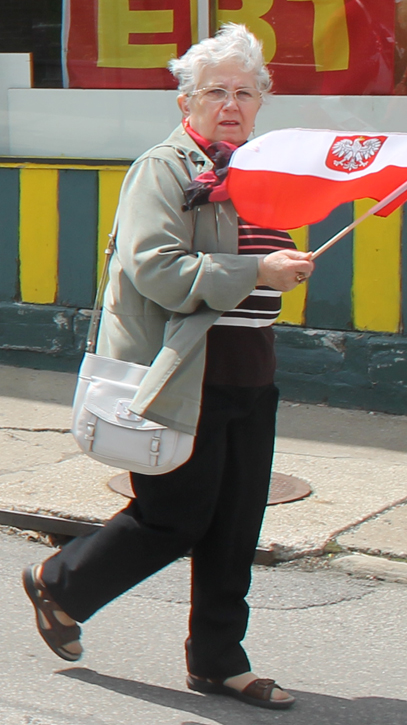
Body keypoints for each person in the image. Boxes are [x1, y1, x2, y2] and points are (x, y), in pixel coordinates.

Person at [22, 23, 314, 711]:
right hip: (187, 372)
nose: (232, 104)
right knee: (175, 515)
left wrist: (286, 265)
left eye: (246, 91)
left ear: (262, 102)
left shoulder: (259, 172)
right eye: (217, 91)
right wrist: (256, 267)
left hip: (251, 368)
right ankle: (60, 583)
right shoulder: (168, 168)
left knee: (237, 524)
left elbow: (258, 263)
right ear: (187, 102)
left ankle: (219, 659)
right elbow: (154, 268)